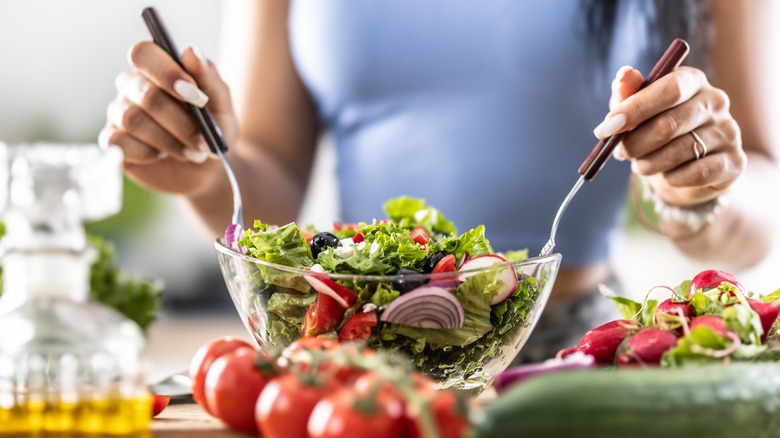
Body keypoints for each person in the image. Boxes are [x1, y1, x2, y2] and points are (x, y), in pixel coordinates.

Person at [100, 0, 779, 363]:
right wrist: (197, 168)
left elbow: (760, 188)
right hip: (350, 342)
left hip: (568, 349)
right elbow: (269, 187)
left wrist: (696, 192)